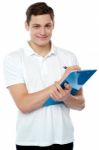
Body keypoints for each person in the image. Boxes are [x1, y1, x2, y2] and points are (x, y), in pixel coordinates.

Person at [3, 2, 85, 150]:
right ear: (27, 25)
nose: (43, 31)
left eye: (47, 25)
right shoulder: (14, 59)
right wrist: (60, 83)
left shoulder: (69, 57)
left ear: (53, 25)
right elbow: (24, 104)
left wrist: (67, 98)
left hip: (64, 140)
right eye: (36, 26)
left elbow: (81, 104)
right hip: (29, 142)